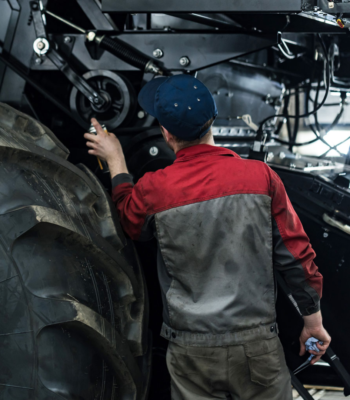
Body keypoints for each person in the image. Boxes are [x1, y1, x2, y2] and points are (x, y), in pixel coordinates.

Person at [84, 74, 331, 400]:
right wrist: (312, 323)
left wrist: (115, 159)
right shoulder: (261, 177)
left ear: (166, 133)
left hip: (192, 353)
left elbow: (131, 224)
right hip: (257, 348)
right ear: (212, 119)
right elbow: (296, 255)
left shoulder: (154, 188)